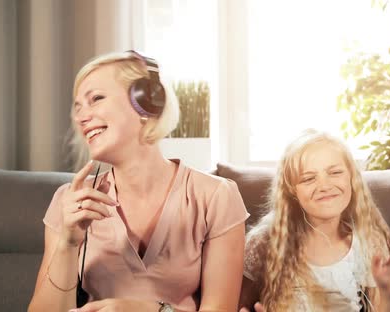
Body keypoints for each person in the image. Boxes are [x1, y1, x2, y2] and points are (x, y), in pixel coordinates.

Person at [28, 50, 249, 312]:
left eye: (96, 99)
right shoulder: (70, 200)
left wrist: (150, 310)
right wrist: (68, 243)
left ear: (147, 104)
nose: (81, 117)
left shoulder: (215, 196)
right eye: (77, 108)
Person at [239, 129, 390, 312]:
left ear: (352, 178)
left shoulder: (368, 243)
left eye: (335, 173)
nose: (324, 185)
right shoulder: (264, 243)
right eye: (309, 178)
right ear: (292, 191)